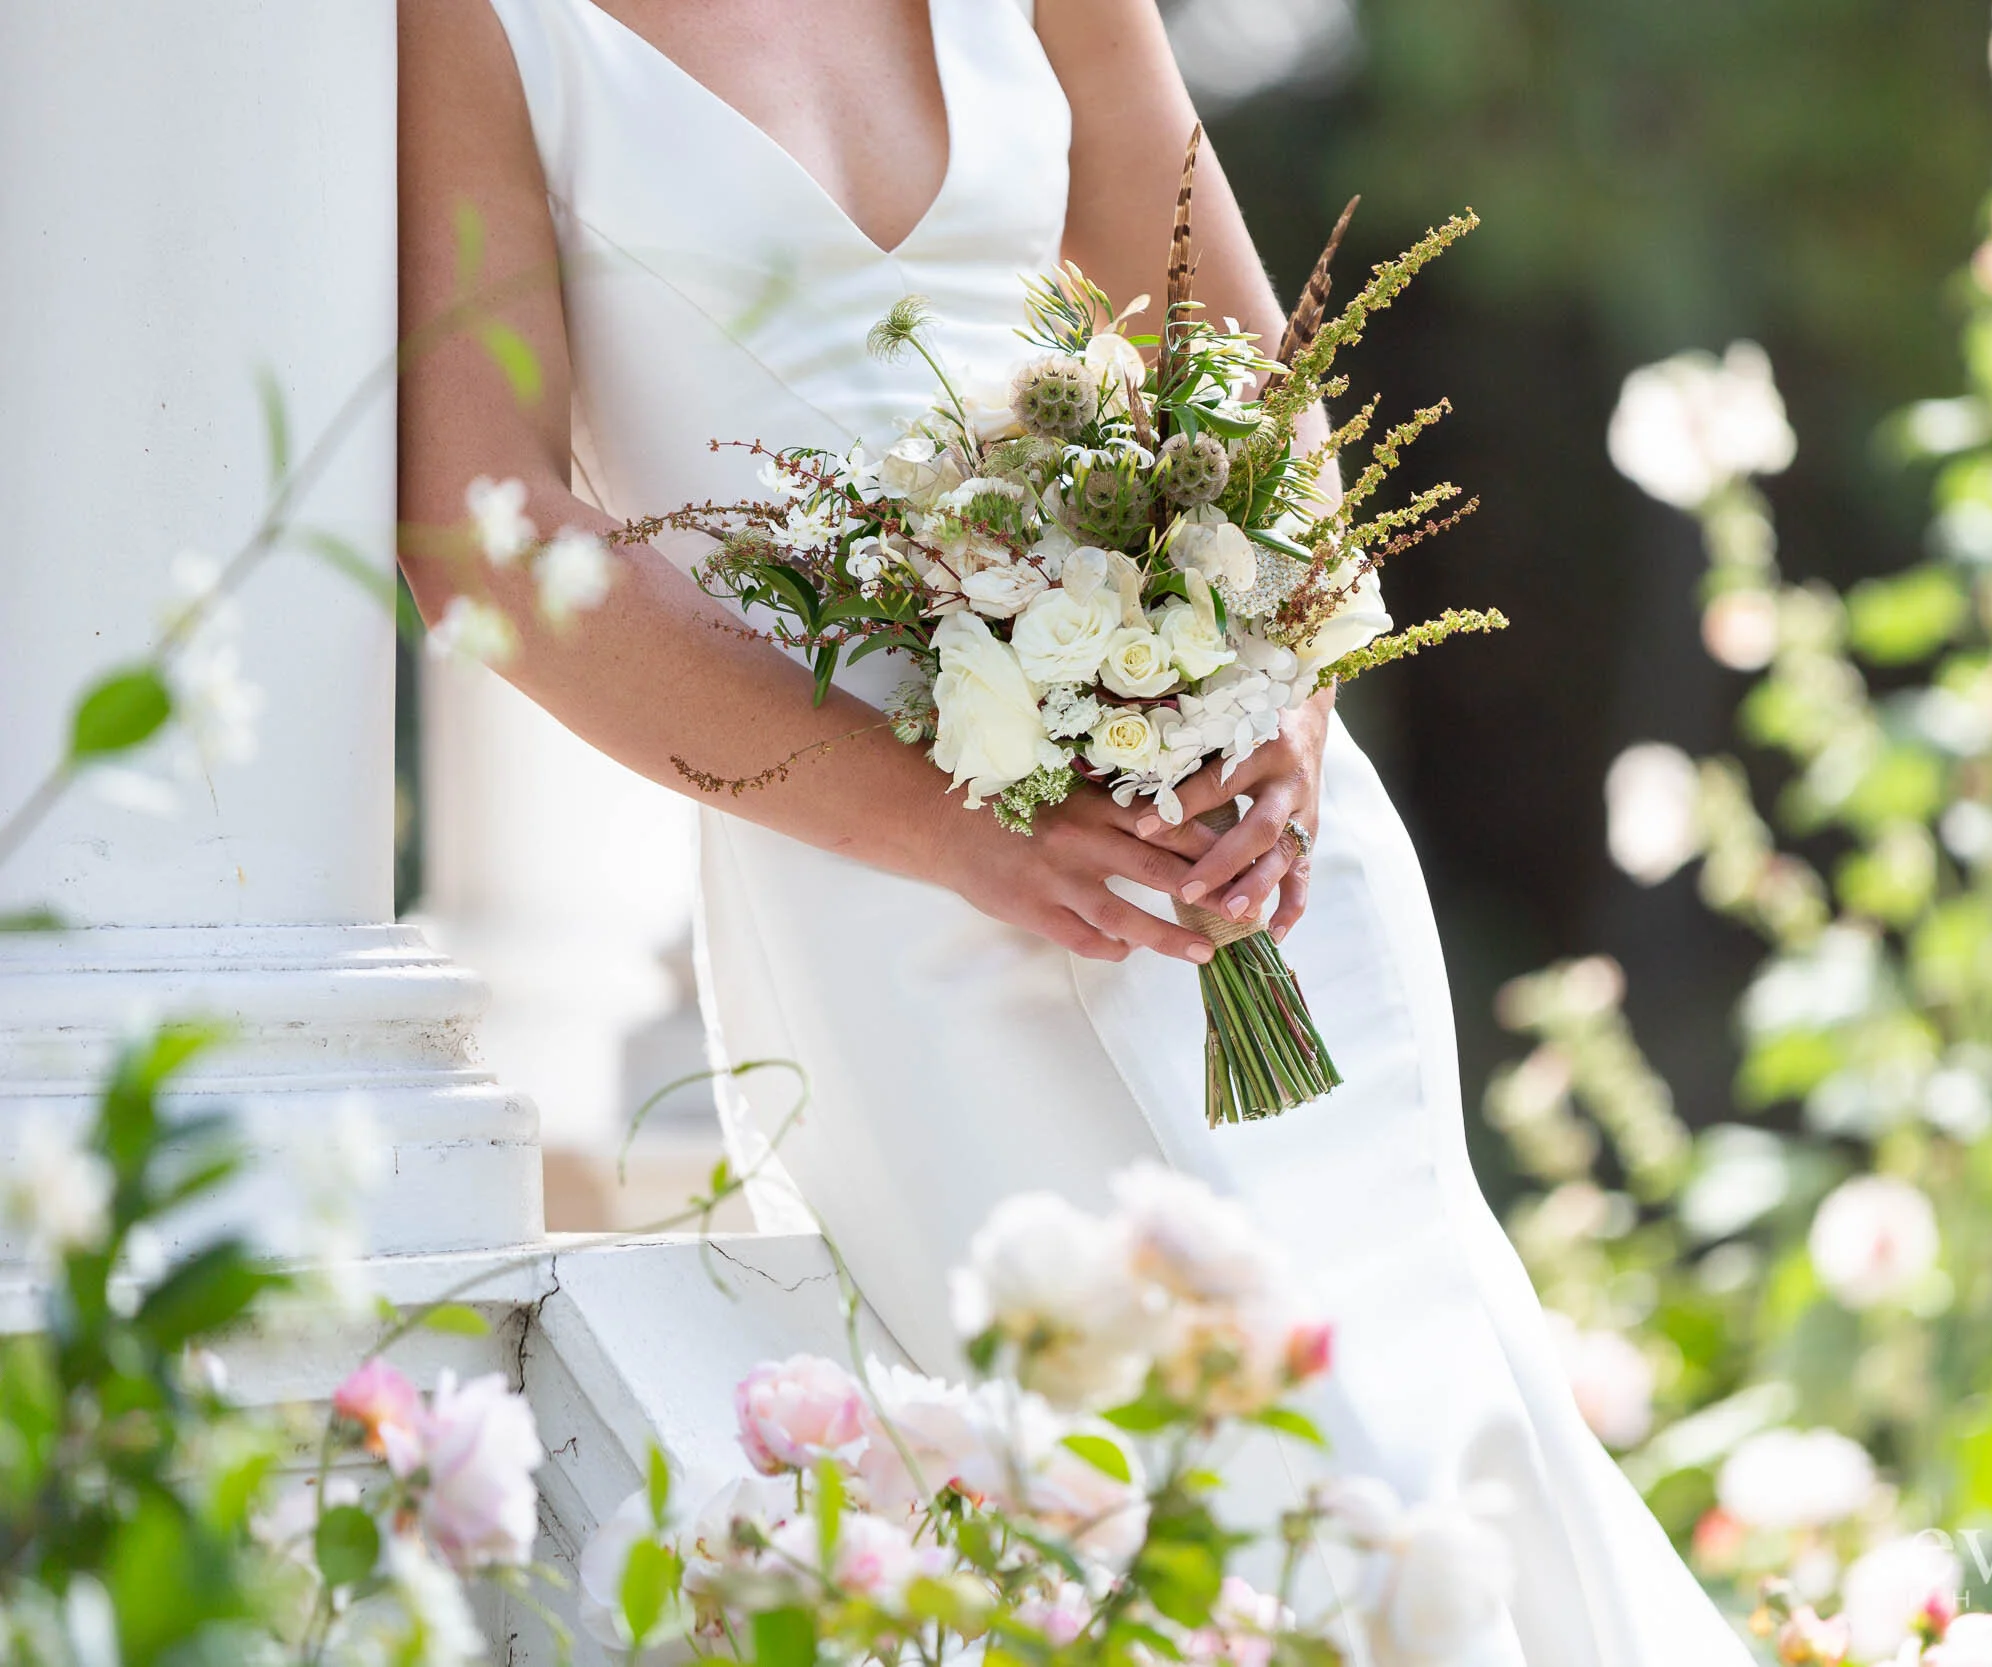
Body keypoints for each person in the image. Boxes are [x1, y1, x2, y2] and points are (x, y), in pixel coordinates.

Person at [399, 1, 1749, 1656]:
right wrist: (954, 828)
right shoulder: (475, 20)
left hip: (1243, 850)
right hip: (896, 917)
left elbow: (1247, 371)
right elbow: (479, 536)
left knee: (1447, 1463)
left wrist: (1286, 708)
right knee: (1176, 1530)